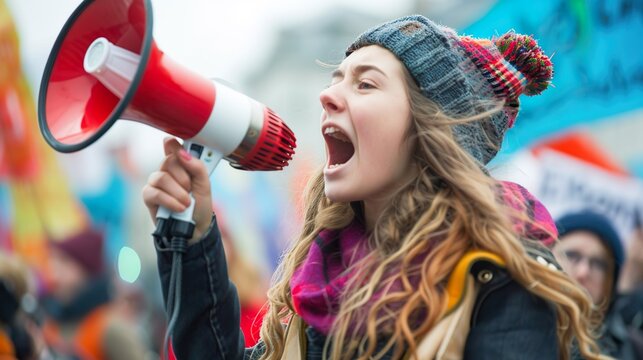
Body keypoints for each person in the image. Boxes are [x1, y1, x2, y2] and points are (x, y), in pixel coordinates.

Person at [143, 15, 606, 359]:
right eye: (335, 80)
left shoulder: (501, 276)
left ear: (430, 133)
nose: (327, 96)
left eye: (366, 85)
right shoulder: (318, 285)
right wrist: (189, 235)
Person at [40, 227, 147, 360]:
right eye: (53, 261)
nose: (54, 274)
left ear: (86, 268)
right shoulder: (51, 321)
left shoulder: (111, 328)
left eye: (64, 262)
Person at [555, 210, 643, 359]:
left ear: (611, 282)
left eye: (599, 264)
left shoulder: (633, 350)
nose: (583, 272)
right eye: (571, 255)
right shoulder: (511, 321)